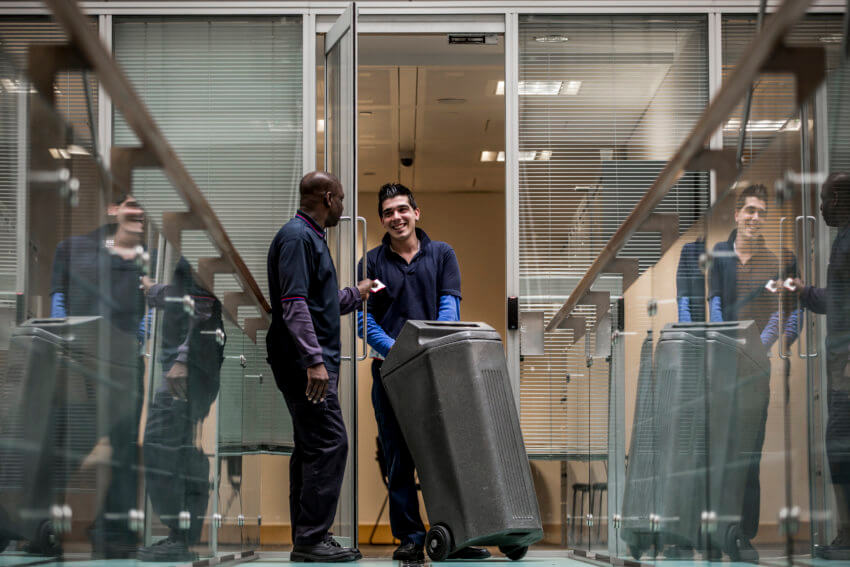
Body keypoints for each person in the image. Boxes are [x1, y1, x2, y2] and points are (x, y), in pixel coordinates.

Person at [359, 183, 488, 561]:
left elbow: (448, 311)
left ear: (417, 212)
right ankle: (412, 539)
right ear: (382, 219)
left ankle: (457, 536)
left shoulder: (442, 255)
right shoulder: (371, 264)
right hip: (390, 374)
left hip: (436, 370)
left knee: (446, 456)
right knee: (399, 459)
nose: (395, 217)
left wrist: (425, 349)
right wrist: (400, 353)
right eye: (387, 212)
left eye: (402, 209)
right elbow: (364, 323)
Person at [266, 171, 370, 562]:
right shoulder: (296, 237)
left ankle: (306, 537)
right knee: (330, 443)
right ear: (328, 197)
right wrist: (314, 361)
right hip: (303, 363)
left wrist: (355, 294)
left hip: (308, 360)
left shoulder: (310, 238)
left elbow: (317, 302)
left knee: (312, 447)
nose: (343, 207)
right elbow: (293, 305)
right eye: (341, 198)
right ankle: (311, 539)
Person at [50, 193, 149, 558]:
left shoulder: (145, 257)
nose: (138, 212)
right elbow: (59, 298)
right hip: (81, 360)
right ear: (114, 208)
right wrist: (64, 346)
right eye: (131, 203)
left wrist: (139, 347)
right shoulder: (75, 248)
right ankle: (34, 520)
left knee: (123, 448)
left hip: (124, 364)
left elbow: (147, 309)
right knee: (72, 443)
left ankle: (115, 533)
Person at [706, 183, 798, 560]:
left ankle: (744, 533)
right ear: (736, 214)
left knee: (747, 454)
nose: (754, 217)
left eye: (761, 212)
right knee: (717, 451)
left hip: (755, 370)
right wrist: (724, 342)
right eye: (749, 210)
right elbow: (713, 304)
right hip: (722, 368)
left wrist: (760, 345)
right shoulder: (718, 257)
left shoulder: (776, 262)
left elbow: (786, 312)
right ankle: (714, 529)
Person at [138, 257, 224, 562]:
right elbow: (187, 296)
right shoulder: (192, 240)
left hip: (189, 365)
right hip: (193, 364)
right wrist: (157, 290)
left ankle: (179, 532)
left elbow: (202, 304)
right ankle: (182, 535)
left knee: (160, 440)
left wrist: (183, 360)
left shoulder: (197, 236)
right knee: (182, 447)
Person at [791, 172, 850, 558]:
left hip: (846, 361)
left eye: (827, 199)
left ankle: (847, 533)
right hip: (839, 358)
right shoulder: (843, 240)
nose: (821, 207)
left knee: (841, 446)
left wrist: (805, 293)